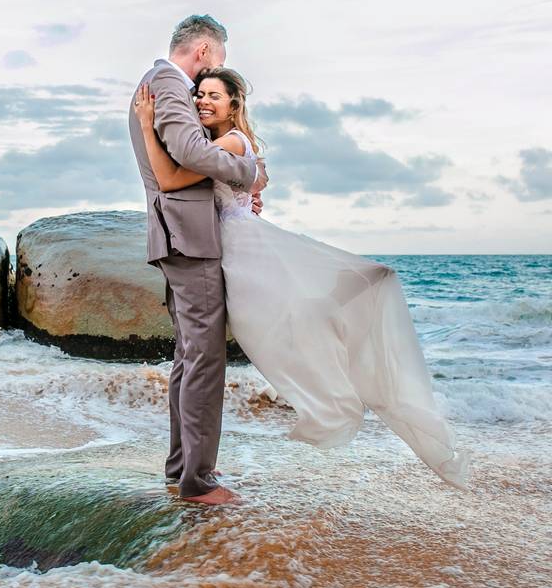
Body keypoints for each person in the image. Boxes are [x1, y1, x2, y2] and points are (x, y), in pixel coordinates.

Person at [133, 66, 471, 491]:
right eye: (199, 94)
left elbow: (172, 177)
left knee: (285, 317)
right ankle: (199, 463)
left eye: (213, 96)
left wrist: (148, 127)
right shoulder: (227, 143)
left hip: (242, 248)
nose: (202, 101)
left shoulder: (229, 142)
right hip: (231, 248)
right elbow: (245, 177)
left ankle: (335, 375)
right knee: (272, 324)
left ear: (234, 105)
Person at [128, 15, 268, 505]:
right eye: (219, 62)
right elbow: (188, 151)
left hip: (181, 234)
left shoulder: (157, 84)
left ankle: (180, 468)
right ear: (205, 51)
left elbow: (183, 157)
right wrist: (248, 171)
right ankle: (198, 482)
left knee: (189, 357)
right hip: (190, 237)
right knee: (205, 359)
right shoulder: (166, 81)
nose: (203, 92)